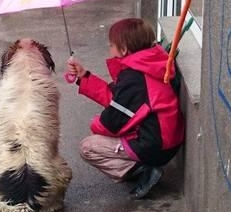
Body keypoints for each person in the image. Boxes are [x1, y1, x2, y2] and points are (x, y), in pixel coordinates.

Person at [67, 18, 184, 199]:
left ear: (123, 49)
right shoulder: (149, 64)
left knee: (88, 147)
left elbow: (112, 122)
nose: (109, 49)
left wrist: (96, 125)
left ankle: (144, 169)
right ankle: (141, 166)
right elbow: (116, 98)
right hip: (167, 139)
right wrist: (84, 76)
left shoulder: (134, 77)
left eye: (111, 45)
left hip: (155, 145)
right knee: (102, 135)